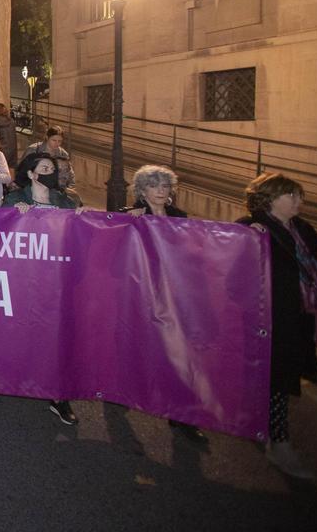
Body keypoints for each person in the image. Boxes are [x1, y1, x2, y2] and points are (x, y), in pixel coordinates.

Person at [237, 173, 317, 480]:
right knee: (278, 381)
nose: (299, 201)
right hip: (270, 322)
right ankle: (280, 446)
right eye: (292, 195)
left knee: (275, 379)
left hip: (301, 319)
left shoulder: (302, 228)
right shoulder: (252, 228)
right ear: (271, 198)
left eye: (299, 196)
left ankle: (256, 423)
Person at [119, 165, 207, 444]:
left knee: (179, 353)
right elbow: (108, 233)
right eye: (154, 186)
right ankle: (123, 391)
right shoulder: (131, 216)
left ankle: (182, 415)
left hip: (174, 294)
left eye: (165, 186)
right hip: (142, 294)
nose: (160, 190)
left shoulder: (181, 219)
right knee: (138, 347)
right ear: (142, 190)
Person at [3, 152, 82, 425]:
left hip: (57, 281)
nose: (51, 172)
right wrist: (14, 215)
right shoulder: (15, 199)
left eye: (53, 168)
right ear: (32, 174)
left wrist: (82, 217)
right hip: (23, 279)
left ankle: (59, 397)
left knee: (57, 337)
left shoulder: (66, 202)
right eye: (45, 168)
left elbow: (81, 235)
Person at [23, 126, 75, 194]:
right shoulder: (34, 150)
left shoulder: (63, 154)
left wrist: (69, 189)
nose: (57, 143)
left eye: (60, 141)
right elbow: (23, 170)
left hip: (57, 192)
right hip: (34, 189)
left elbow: (70, 174)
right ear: (47, 137)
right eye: (54, 140)